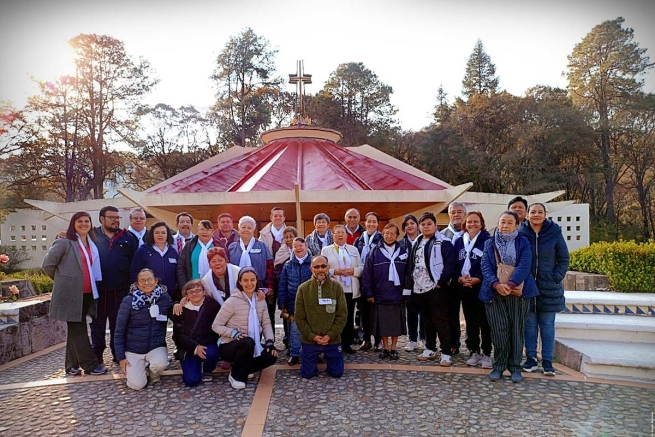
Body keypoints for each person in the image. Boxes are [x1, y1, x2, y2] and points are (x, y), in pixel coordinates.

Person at [42, 211, 108, 376]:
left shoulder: (90, 242)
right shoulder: (64, 242)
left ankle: (71, 366)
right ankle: (90, 364)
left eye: (87, 221)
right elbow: (47, 265)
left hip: (87, 293)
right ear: (73, 223)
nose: (84, 224)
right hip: (71, 294)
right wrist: (63, 280)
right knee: (79, 328)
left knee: (75, 329)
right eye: (80, 221)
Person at [480, 211, 539, 383]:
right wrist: (496, 284)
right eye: (502, 222)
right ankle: (498, 365)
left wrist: (511, 284)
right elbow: (485, 266)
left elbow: (525, 264)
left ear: (517, 225)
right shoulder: (489, 243)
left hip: (518, 292)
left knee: (516, 330)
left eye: (509, 223)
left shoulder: (523, 242)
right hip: (494, 292)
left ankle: (515, 367)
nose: (505, 226)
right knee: (499, 331)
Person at [520, 203, 570, 376]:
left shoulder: (554, 232)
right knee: (530, 326)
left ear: (545, 214)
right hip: (527, 287)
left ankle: (548, 361)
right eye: (532, 212)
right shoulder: (521, 232)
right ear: (527, 215)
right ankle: (531, 358)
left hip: (549, 288)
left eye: (539, 212)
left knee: (547, 326)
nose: (536, 215)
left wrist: (555, 277)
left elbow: (564, 258)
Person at [404, 212, 457, 367]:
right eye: (423, 224)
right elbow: (411, 264)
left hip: (436, 288)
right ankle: (430, 348)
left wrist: (441, 282)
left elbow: (450, 263)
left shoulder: (444, 242)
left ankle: (446, 352)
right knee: (426, 320)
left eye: (429, 224)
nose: (426, 227)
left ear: (435, 225)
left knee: (440, 320)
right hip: (419, 288)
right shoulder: (417, 241)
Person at [212, 267, 278, 390]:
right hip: (230, 345)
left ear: (257, 281)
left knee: (271, 356)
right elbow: (216, 325)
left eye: (252, 280)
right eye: (245, 280)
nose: (249, 283)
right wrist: (233, 333)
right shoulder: (232, 301)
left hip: (252, 345)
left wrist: (270, 342)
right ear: (240, 282)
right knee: (247, 342)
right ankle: (236, 376)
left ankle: (243, 367)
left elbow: (266, 324)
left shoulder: (260, 300)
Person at [90, 206, 138, 364]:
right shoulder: (91, 235)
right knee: (98, 326)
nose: (115, 220)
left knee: (119, 324)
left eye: (117, 217)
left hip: (120, 290)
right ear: (101, 219)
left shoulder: (128, 237)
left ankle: (118, 354)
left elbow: (134, 264)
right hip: (98, 290)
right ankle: (97, 356)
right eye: (111, 217)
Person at [115, 268, 172, 390]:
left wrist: (181, 303)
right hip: (133, 349)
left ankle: (154, 373)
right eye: (142, 280)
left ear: (156, 281)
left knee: (161, 363)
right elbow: (119, 331)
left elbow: (174, 314)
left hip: (156, 346)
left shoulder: (164, 297)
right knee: (137, 385)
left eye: (150, 279)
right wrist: (121, 357)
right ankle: (140, 367)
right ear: (136, 284)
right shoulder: (128, 301)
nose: (147, 283)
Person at [295, 256, 348, 379]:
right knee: (307, 374)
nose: (320, 270)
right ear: (311, 269)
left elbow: (342, 315)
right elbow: (300, 318)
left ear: (328, 267)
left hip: (332, 339)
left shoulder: (336, 288)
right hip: (310, 340)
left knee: (336, 373)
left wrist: (330, 335)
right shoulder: (303, 289)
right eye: (316, 267)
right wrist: (312, 336)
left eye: (323, 266)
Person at [361, 223, 408, 360]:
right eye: (386, 233)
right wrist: (368, 293)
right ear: (383, 234)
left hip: (397, 293)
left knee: (395, 323)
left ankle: (394, 348)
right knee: (383, 323)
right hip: (380, 293)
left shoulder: (403, 251)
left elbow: (408, 273)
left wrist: (407, 292)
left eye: (392, 233)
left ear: (397, 235)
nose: (389, 236)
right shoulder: (375, 251)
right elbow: (367, 273)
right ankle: (385, 347)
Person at [453, 211, 492, 369]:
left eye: (476, 222)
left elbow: (491, 264)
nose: (472, 224)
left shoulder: (488, 241)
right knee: (471, 322)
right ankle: (473, 351)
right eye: (469, 222)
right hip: (465, 288)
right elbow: (453, 264)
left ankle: (487, 353)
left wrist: (479, 278)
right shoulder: (458, 242)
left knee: (485, 322)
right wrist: (460, 278)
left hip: (482, 287)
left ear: (482, 224)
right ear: (464, 224)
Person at [321, 225, 363, 354]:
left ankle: (346, 344)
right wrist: (335, 271)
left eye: (342, 232)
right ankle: (333, 342)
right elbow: (323, 268)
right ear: (332, 235)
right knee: (332, 317)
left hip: (351, 288)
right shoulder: (326, 250)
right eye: (337, 232)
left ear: (346, 235)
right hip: (335, 289)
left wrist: (353, 271)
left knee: (348, 317)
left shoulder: (354, 249)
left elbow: (361, 267)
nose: (340, 235)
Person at [171, 280, 221, 387]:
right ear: (186, 295)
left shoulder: (212, 305)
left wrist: (204, 345)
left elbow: (218, 326)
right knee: (191, 381)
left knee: (212, 353)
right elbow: (177, 335)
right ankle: (194, 364)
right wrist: (194, 347)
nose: (195, 293)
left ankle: (207, 369)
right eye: (191, 292)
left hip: (207, 343)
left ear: (204, 292)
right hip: (189, 347)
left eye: (198, 290)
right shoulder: (181, 309)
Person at [228, 216, 274, 322]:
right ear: (239, 229)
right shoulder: (232, 247)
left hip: (259, 286)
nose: (246, 230)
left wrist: (270, 286)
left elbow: (270, 266)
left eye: (249, 227)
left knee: (262, 318)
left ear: (254, 230)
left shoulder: (261, 246)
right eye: (243, 227)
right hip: (238, 288)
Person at [278, 237, 313, 365]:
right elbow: (282, 285)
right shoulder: (288, 265)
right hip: (293, 303)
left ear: (306, 247)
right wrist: (282, 303)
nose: (298, 248)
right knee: (294, 330)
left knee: (311, 329)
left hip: (310, 303)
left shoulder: (313, 263)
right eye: (295, 246)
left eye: (300, 245)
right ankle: (294, 354)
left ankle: (312, 352)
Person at [353, 212, 384, 351]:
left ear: (378, 224)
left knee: (377, 311)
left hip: (377, 280)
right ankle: (366, 339)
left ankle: (378, 340)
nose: (371, 224)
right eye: (369, 221)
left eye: (374, 221)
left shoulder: (382, 239)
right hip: (361, 279)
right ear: (365, 223)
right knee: (363, 311)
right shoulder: (359, 240)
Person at [130, 221, 180, 301]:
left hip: (171, 295)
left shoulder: (173, 252)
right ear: (152, 234)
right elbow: (134, 272)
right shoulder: (143, 251)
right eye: (157, 233)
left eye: (163, 233)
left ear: (167, 235)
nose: (160, 235)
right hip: (148, 295)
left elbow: (178, 272)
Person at [441, 202, 467, 356]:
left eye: (459, 212)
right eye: (453, 212)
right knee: (450, 314)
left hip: (470, 281)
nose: (456, 215)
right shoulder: (442, 235)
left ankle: (474, 347)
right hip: (450, 282)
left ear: (465, 214)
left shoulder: (470, 232)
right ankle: (452, 344)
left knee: (471, 316)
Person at [258, 207, 287, 336]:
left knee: (286, 306)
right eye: (275, 215)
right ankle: (271, 339)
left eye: (280, 216)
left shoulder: (290, 233)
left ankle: (288, 339)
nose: (278, 218)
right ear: (271, 217)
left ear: (284, 218)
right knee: (268, 309)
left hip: (284, 276)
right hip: (268, 276)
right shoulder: (263, 235)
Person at [400, 214, 424, 352]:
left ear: (417, 225)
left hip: (424, 282)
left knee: (424, 312)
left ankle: (424, 338)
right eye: (407, 224)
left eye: (412, 223)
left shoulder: (425, 240)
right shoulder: (401, 244)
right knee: (411, 312)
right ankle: (412, 339)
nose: (410, 226)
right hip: (408, 283)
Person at [273, 226, 299, 349]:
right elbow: (277, 271)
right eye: (286, 237)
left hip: (300, 290)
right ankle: (288, 340)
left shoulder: (302, 250)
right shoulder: (280, 252)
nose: (288, 239)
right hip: (286, 289)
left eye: (291, 237)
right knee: (287, 316)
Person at [177, 219, 215, 288]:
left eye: (207, 230)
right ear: (197, 231)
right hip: (194, 288)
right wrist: (184, 287)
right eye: (202, 229)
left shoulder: (219, 245)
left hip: (215, 286)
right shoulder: (189, 245)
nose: (204, 232)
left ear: (212, 231)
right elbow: (181, 267)